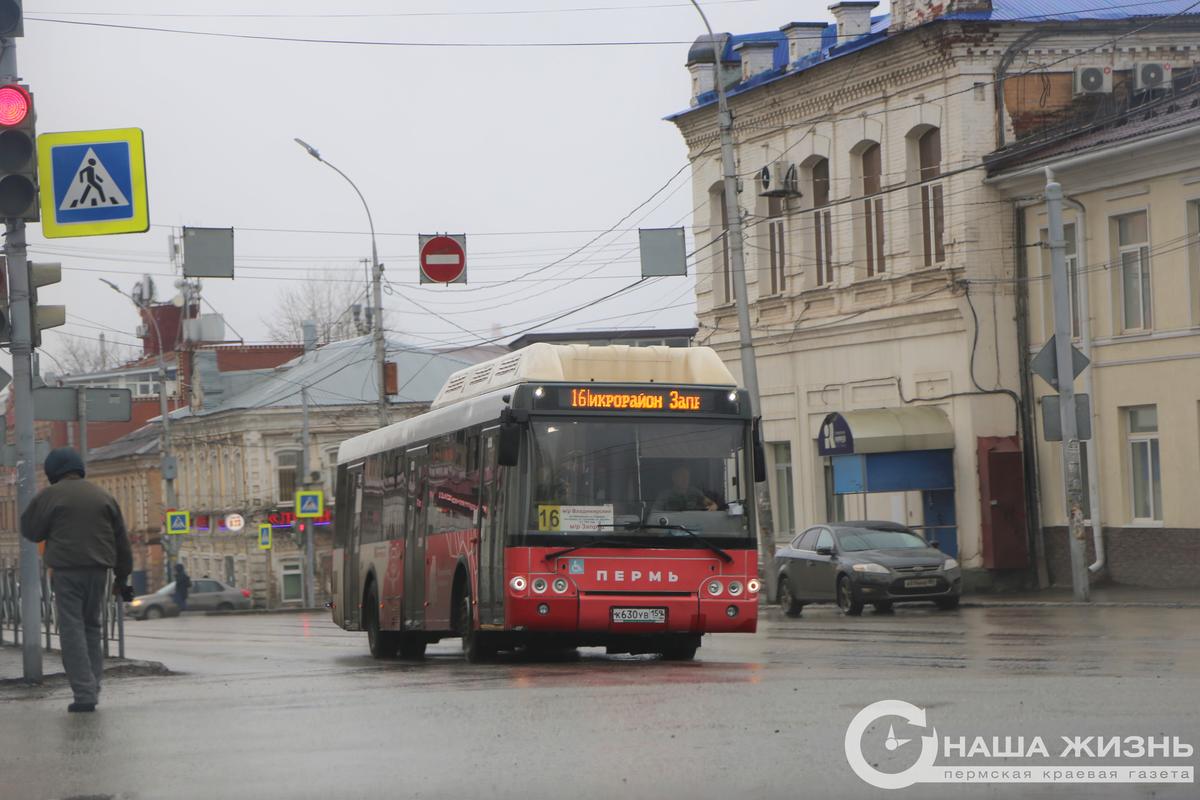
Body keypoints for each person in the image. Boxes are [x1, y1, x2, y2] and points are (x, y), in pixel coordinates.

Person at [19, 447, 132, 713]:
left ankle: (84, 693)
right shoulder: (103, 495)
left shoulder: (50, 495)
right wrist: (122, 578)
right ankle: (93, 686)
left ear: (52, 473)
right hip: (99, 571)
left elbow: (31, 531)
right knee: (92, 627)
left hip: (67, 571)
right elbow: (121, 541)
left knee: (72, 630)